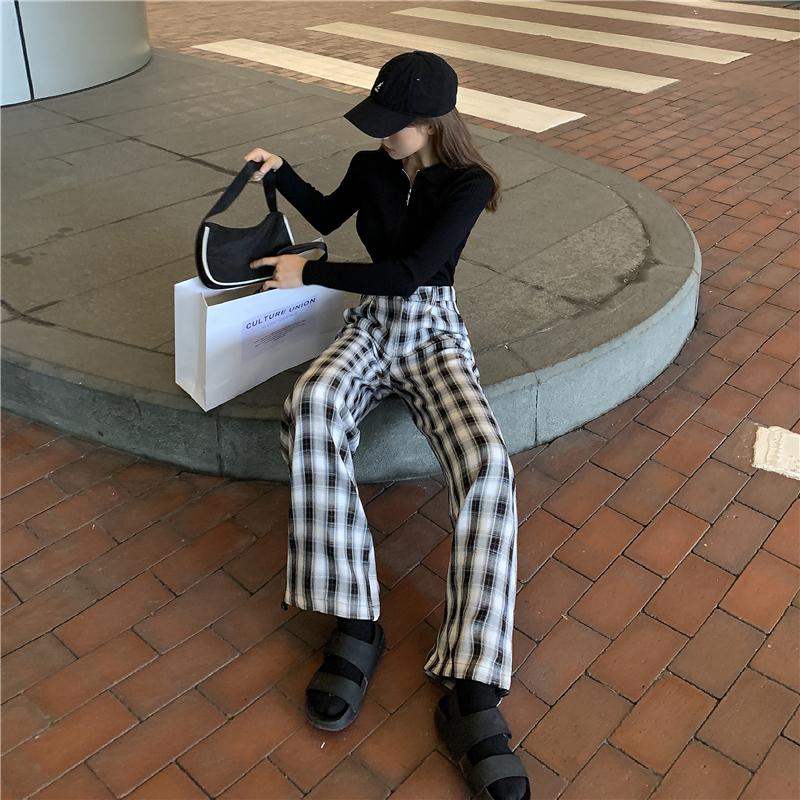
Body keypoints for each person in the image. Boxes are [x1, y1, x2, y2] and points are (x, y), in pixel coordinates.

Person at [246, 51, 529, 800]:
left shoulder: (469, 184)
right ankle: (355, 619)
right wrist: (280, 173)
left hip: (432, 333)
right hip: (372, 327)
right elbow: (326, 214)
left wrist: (309, 274)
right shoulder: (370, 165)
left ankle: (473, 687)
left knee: (488, 464)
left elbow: (410, 273)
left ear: (432, 122)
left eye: (393, 124)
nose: (381, 135)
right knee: (311, 404)